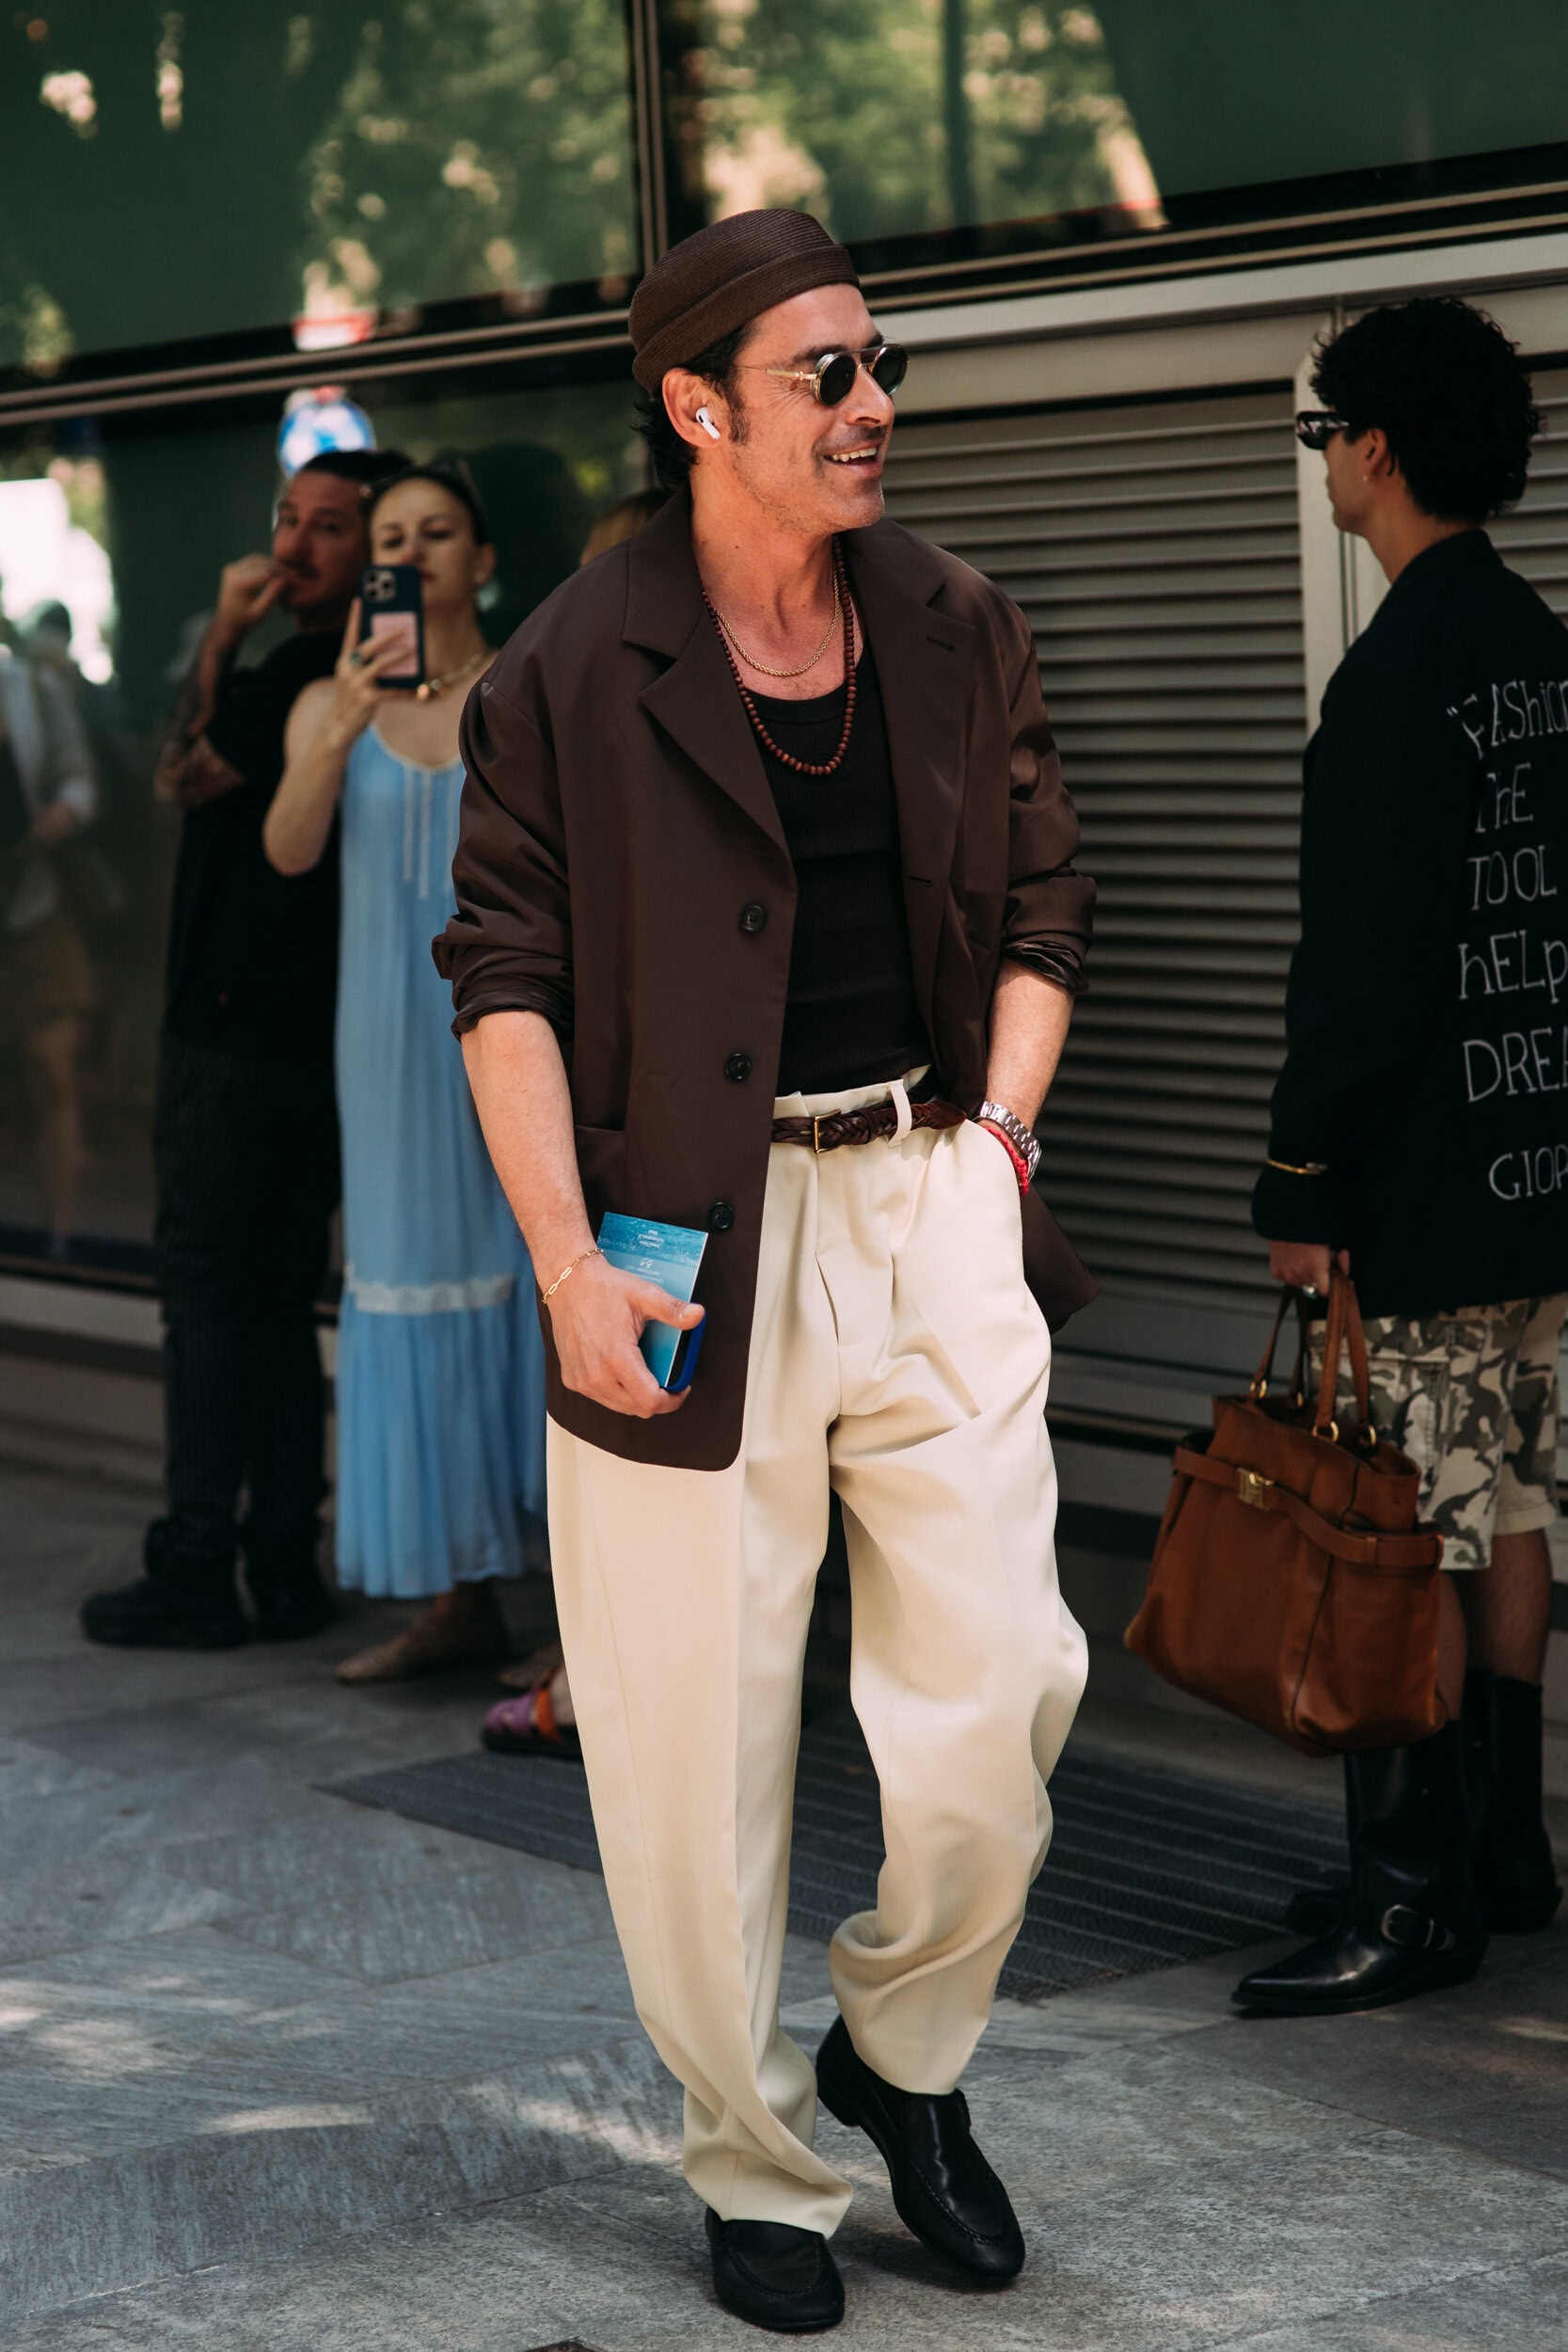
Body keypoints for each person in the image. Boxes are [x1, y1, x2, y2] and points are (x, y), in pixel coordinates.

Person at [436, 209, 1096, 2333]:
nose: (874, 402)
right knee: (687, 1742)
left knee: (1004, 1689)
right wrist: (565, 1264)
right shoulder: (565, 667)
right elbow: (504, 981)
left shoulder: (955, 618)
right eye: (830, 374)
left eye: (881, 364)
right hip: (676, 1249)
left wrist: (997, 1148)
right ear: (698, 408)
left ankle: (904, 2056)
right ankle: (753, 2155)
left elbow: (1044, 904)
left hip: (928, 1195)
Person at [1239, 296, 1567, 2020]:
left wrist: (1300, 1184)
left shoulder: (1392, 677)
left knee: (1411, 1523)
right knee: (1507, 1503)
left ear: (1373, 448)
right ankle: (1503, 1851)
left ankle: (1409, 1892)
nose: (1323, 467)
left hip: (1426, 1181)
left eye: (1323, 437)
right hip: (1538, 1166)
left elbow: (1355, 975)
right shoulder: (1537, 648)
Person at [81, 446, 404, 1652]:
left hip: (240, 1036)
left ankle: (201, 1562)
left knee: (214, 1296)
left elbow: (174, 774)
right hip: (315, 1038)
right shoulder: (362, 677)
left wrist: (220, 635)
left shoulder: (308, 679)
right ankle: (280, 1561)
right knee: (268, 1300)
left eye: (328, 527)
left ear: (377, 553)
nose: (292, 545)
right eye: (288, 517)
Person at [265, 462, 546, 1682]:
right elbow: (288, 851)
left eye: (437, 533)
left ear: (481, 561)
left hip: (513, 1024)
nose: (412, 553)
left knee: (539, 1277)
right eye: (391, 537)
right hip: (381, 1040)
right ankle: (458, 1598)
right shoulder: (327, 702)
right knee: (407, 1276)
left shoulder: (528, 687)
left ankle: (580, 1613)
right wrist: (339, 721)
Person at [480, 483, 673, 1756]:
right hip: (613, 1131)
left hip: (679, 1138)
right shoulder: (553, 723)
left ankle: (604, 1666)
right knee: (638, 1425)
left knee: (655, 1427)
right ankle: (595, 1660)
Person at [0, 626, 97, 1253]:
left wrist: (64, 813)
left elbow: (77, 777)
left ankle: (57, 1235)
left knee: (52, 1070)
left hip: (31, 904)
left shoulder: (29, 686)